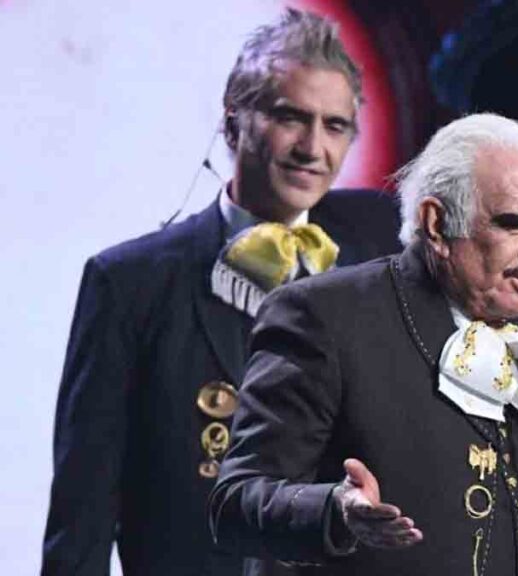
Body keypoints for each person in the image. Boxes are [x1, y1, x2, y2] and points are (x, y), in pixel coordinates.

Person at [41, 9, 400, 575]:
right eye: (290, 117)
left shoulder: (379, 259)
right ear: (233, 122)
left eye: (334, 126)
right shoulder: (130, 282)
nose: (313, 147)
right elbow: (80, 520)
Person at [208, 113, 518, 575]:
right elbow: (235, 503)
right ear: (437, 224)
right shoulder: (323, 318)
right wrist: (335, 511)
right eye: (513, 225)